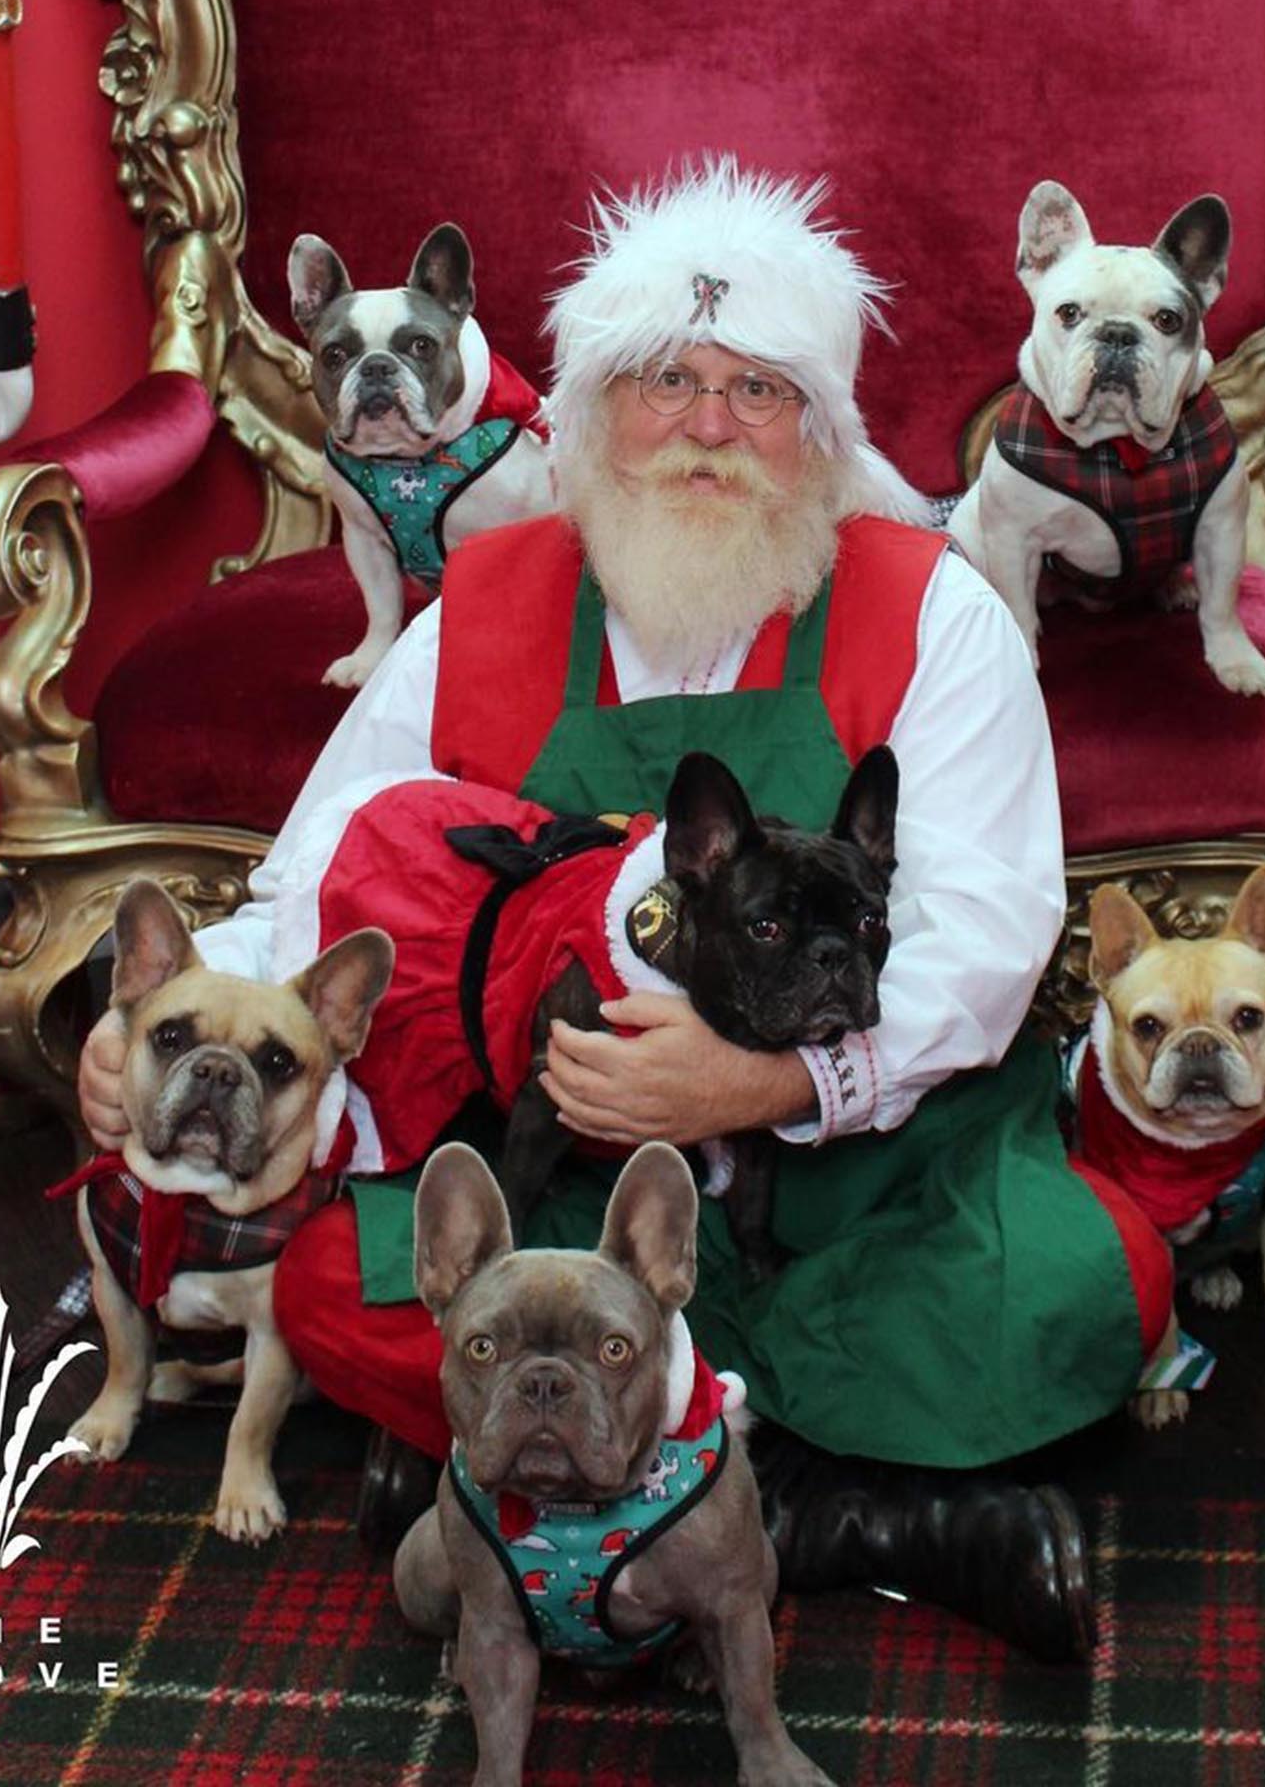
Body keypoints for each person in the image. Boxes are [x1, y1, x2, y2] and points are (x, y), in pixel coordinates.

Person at [75, 160, 1176, 1662]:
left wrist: (774, 1079)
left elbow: (992, 932)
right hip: (559, 1191)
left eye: (760, 392)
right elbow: (319, 874)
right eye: (667, 382)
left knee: (1078, 1287)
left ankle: (544, 1502)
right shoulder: (490, 600)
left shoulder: (936, 608)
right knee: (336, 1279)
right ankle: (861, 1518)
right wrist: (166, 1019)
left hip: (860, 1171)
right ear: (593, 413)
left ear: (824, 432)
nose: (710, 428)